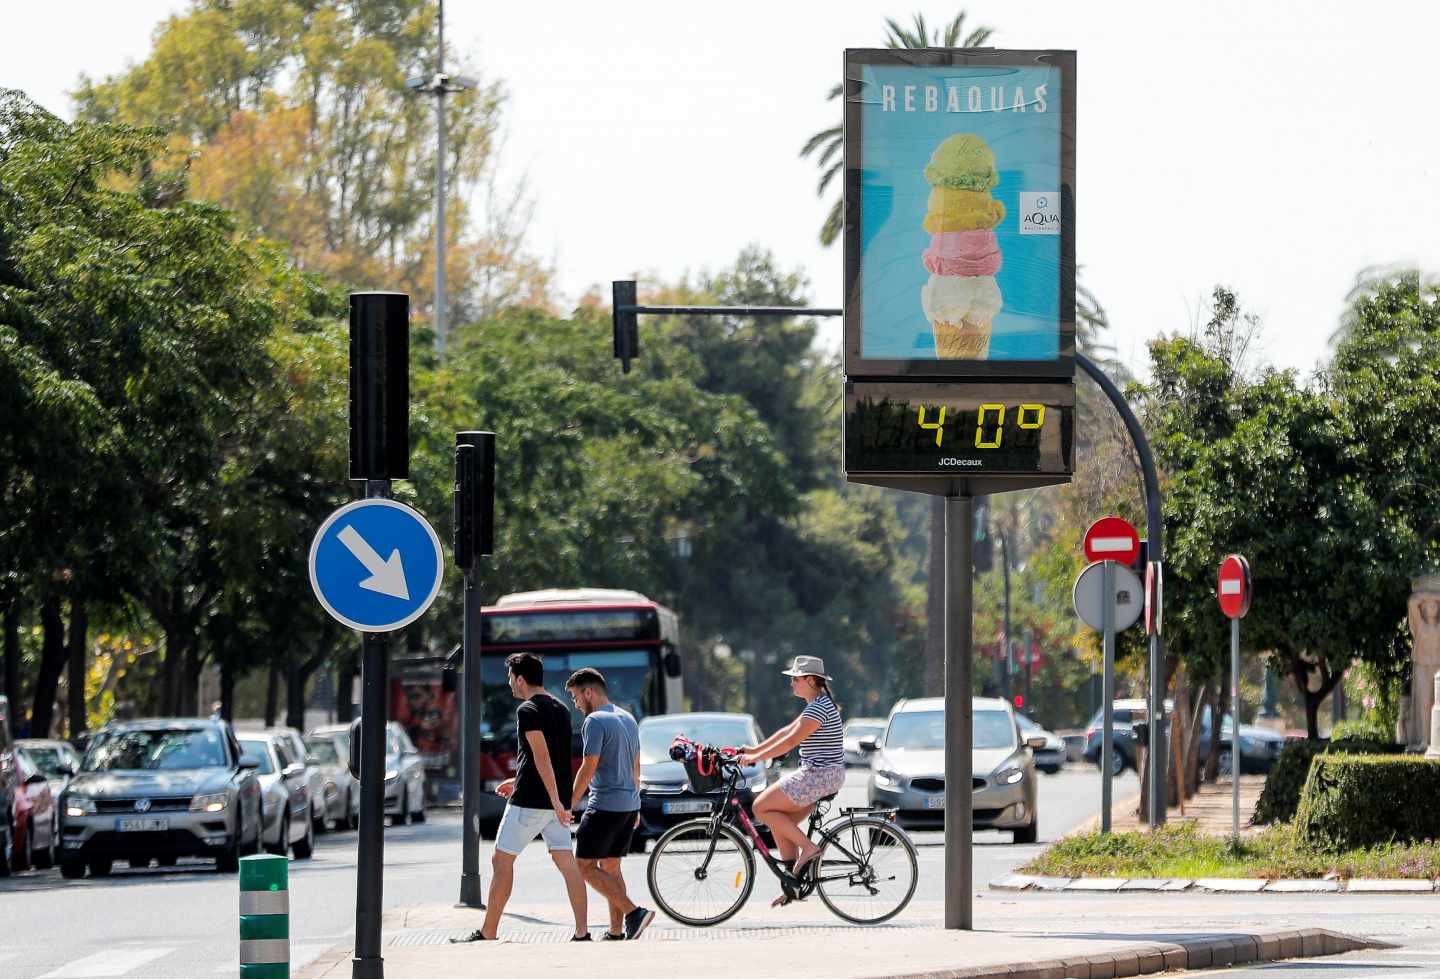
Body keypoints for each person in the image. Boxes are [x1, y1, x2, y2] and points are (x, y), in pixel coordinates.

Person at [471, 652, 589, 942]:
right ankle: (582, 932)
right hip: (554, 800)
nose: (509, 682)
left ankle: (489, 931)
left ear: (520, 679)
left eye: (511, 677)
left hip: (532, 803)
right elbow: (553, 760)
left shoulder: (527, 710)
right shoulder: (561, 709)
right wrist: (552, 798)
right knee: (566, 863)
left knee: (501, 860)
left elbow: (542, 757)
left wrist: (555, 802)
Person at [738, 655, 845, 908]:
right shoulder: (817, 704)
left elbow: (789, 742)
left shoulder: (819, 708)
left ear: (810, 680)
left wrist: (755, 757)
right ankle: (792, 885)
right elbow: (785, 732)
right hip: (822, 775)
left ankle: (809, 849)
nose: (792, 683)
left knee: (761, 807)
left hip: (819, 775)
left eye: (795, 679)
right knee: (780, 824)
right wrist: (754, 751)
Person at [565, 667, 655, 941]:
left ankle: (634, 912)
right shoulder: (628, 718)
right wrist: (636, 804)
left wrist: (567, 804)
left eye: (576, 696)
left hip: (604, 805)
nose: (576, 703)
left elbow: (588, 767)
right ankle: (617, 931)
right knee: (611, 867)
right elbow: (636, 766)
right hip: (627, 804)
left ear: (588, 692)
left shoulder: (595, 721)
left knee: (584, 866)